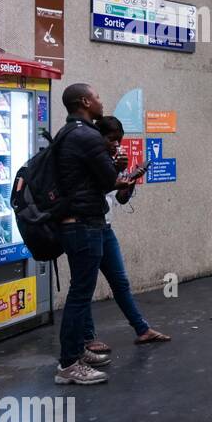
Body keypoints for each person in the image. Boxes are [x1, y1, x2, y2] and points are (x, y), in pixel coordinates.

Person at [53, 83, 136, 385]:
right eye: (98, 97)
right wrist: (123, 175)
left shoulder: (67, 132)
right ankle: (68, 364)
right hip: (84, 224)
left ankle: (76, 351)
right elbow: (109, 180)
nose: (101, 101)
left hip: (74, 221)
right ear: (85, 102)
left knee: (80, 292)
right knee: (79, 296)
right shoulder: (87, 136)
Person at [81, 117, 171, 355]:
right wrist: (118, 172)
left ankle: (142, 329)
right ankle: (86, 339)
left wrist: (130, 178)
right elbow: (91, 190)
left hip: (104, 228)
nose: (116, 145)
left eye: (118, 141)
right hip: (86, 229)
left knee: (120, 282)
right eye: (111, 140)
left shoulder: (110, 161)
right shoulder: (88, 159)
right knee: (84, 287)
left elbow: (119, 198)